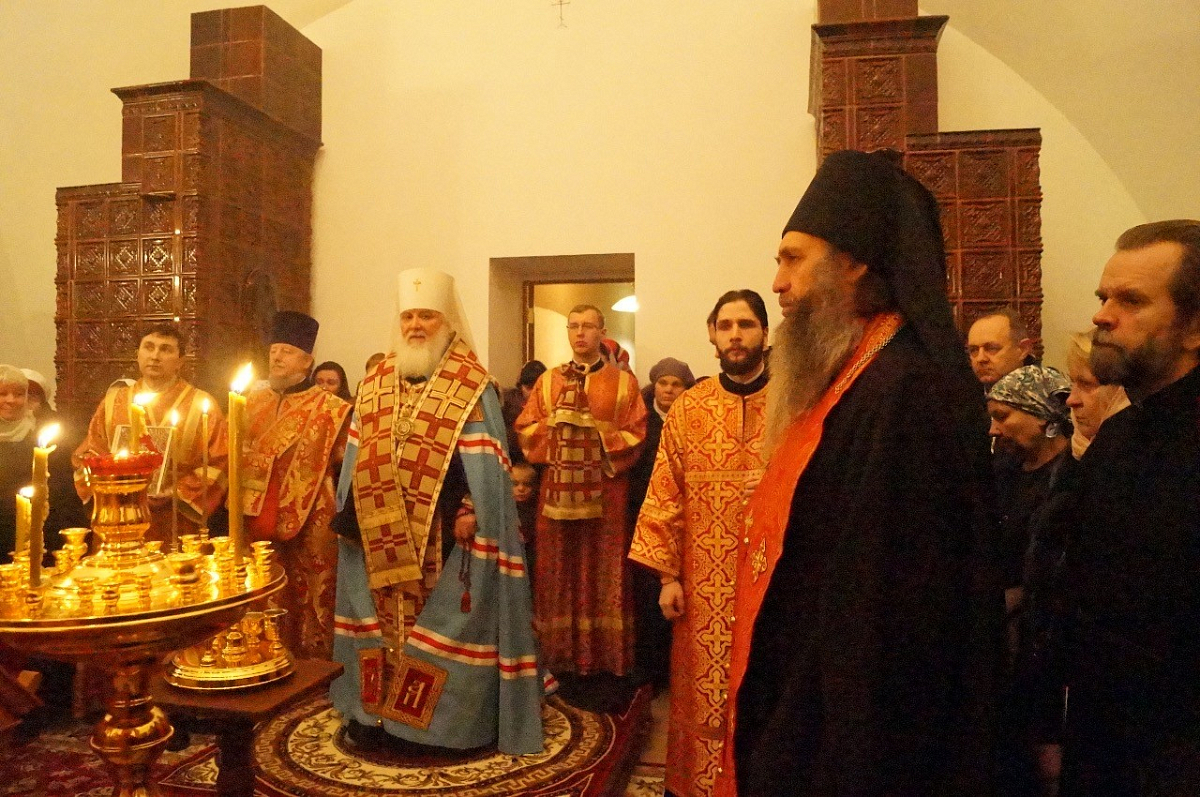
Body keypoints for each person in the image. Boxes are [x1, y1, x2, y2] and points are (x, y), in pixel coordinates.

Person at [721, 149, 1000, 796]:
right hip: (810, 691)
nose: (778, 282)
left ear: (854, 262)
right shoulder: (852, 375)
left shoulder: (908, 391)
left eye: (793, 259)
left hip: (862, 731)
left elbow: (895, 612)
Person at [329, 268, 542, 755]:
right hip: (377, 530)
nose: (415, 325)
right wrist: (349, 518)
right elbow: (357, 458)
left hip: (444, 535)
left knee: (439, 624)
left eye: (427, 315)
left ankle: (436, 729)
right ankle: (375, 716)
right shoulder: (376, 381)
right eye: (408, 316)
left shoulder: (471, 384)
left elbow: (485, 463)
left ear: (446, 323)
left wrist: (470, 509)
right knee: (381, 624)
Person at [1052, 220, 1200, 795]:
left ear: (1194, 327)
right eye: (1103, 298)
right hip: (1104, 747)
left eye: (1131, 301)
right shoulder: (1116, 438)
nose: (1102, 316)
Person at [630, 289, 769, 797]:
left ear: (764, 334)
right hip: (702, 587)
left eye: (746, 324)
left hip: (771, 579)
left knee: (766, 691)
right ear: (712, 335)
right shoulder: (690, 407)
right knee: (701, 696)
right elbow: (665, 492)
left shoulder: (793, 400)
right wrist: (667, 577)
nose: (735, 335)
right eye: (725, 325)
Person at [516, 304, 647, 678]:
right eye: (573, 326)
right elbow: (525, 429)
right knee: (557, 570)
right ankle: (558, 658)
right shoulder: (548, 381)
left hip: (606, 493)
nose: (580, 333)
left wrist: (588, 443)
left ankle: (604, 659)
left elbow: (637, 433)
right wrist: (561, 435)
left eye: (588, 326)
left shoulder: (624, 383)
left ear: (602, 331)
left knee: (602, 570)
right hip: (556, 494)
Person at [242, 311, 351, 659]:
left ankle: (314, 668)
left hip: (313, 514)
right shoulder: (248, 403)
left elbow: (346, 463)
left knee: (314, 594)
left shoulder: (332, 409)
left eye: (286, 351)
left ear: (308, 360)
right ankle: (263, 656)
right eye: (273, 350)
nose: (276, 357)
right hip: (257, 513)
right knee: (261, 589)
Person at [986, 365, 1073, 797]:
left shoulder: (1069, 481)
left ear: (1041, 417)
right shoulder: (1002, 470)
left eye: (1003, 416)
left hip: (1039, 648)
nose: (994, 429)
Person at [72, 322, 227, 543]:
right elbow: (90, 454)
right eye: (149, 347)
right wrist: (111, 488)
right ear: (138, 354)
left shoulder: (202, 404)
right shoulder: (114, 401)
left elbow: (219, 462)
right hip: (119, 514)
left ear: (180, 361)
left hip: (176, 519)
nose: (155, 356)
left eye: (165, 349)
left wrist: (177, 492)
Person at [627, 356, 696, 692]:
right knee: (646, 599)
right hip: (643, 522)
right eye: (663, 383)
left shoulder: (693, 420)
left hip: (684, 522)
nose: (668, 390)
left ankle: (677, 673)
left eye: (676, 384)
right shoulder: (640, 423)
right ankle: (649, 674)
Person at [1063, 331, 1129, 460]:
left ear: (1121, 391)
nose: (1071, 400)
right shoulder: (1074, 454)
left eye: (1086, 384)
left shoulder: (1146, 461)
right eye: (1072, 383)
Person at [968, 308, 1036, 388]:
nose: (980, 358)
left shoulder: (1044, 389)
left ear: (1023, 350)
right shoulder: (964, 390)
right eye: (974, 350)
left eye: (992, 348)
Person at [501, 360, 546, 462]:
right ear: (520, 386)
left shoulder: (550, 404)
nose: (533, 392)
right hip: (513, 460)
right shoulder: (508, 402)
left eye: (538, 388)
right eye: (529, 387)